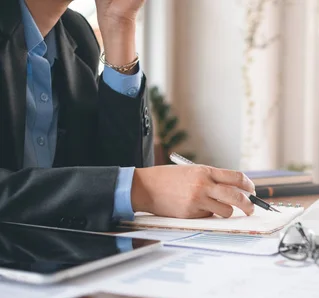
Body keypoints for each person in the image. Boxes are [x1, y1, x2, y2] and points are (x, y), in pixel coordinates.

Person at [0, 0, 255, 232]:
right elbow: (127, 187)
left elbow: (113, 180)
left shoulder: (75, 32)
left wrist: (119, 25)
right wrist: (139, 189)